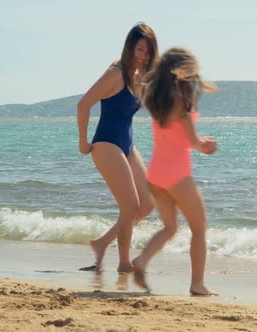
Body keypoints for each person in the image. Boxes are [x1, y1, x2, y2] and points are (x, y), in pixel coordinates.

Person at [131, 47, 218, 295]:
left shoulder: (158, 101)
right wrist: (206, 146)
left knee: (170, 228)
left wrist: (197, 139)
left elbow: (175, 136)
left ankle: (141, 261)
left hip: (156, 174)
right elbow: (192, 141)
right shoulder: (183, 101)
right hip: (177, 175)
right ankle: (197, 284)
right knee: (199, 227)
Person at [77, 22, 159, 273]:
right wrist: (83, 141)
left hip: (126, 144)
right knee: (130, 207)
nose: (143, 56)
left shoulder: (140, 76)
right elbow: (84, 104)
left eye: (148, 52)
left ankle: (102, 243)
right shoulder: (116, 73)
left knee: (146, 205)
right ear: (130, 48)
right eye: (139, 50)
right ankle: (124, 263)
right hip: (105, 143)